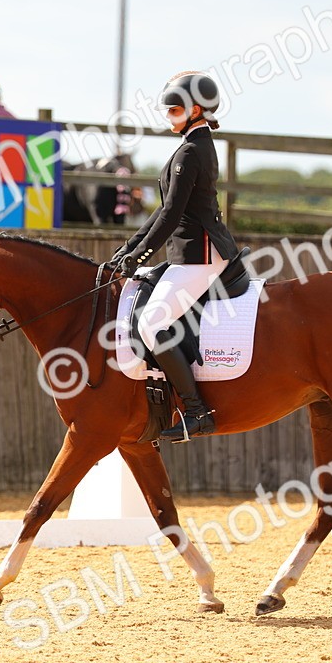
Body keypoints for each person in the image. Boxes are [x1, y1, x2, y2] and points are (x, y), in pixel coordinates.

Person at [111, 71, 240, 441]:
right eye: (167, 108)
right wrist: (130, 248)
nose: (167, 115)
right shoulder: (192, 145)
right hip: (189, 252)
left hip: (200, 254)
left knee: (151, 324)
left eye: (174, 108)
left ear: (196, 109)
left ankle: (197, 411)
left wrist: (140, 255)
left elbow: (170, 214)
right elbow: (164, 211)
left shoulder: (191, 150)